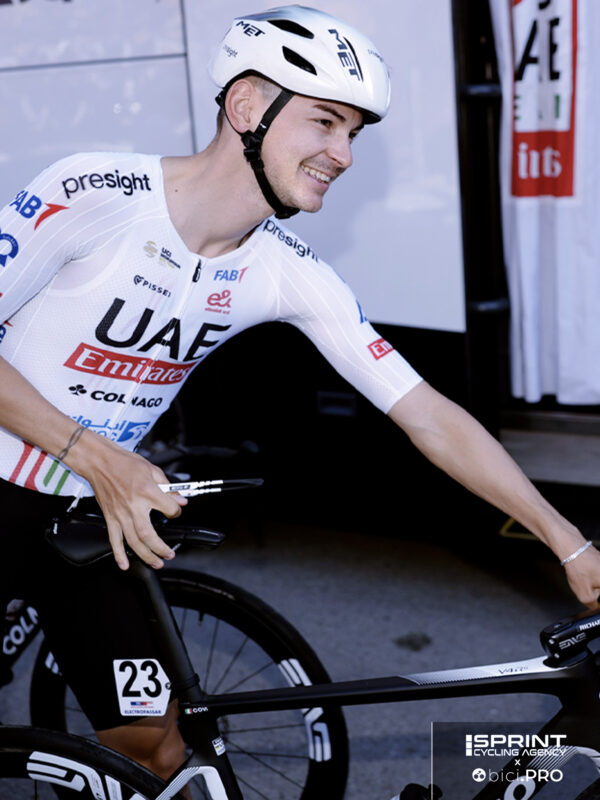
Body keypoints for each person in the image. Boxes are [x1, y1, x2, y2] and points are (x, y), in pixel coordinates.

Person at [1, 3, 599, 785]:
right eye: (324, 121)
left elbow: (426, 413)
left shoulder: (284, 269)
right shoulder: (95, 193)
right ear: (247, 105)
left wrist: (569, 542)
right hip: (34, 485)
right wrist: (99, 456)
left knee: (156, 752)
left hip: (90, 517)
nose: (343, 154)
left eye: (354, 132)